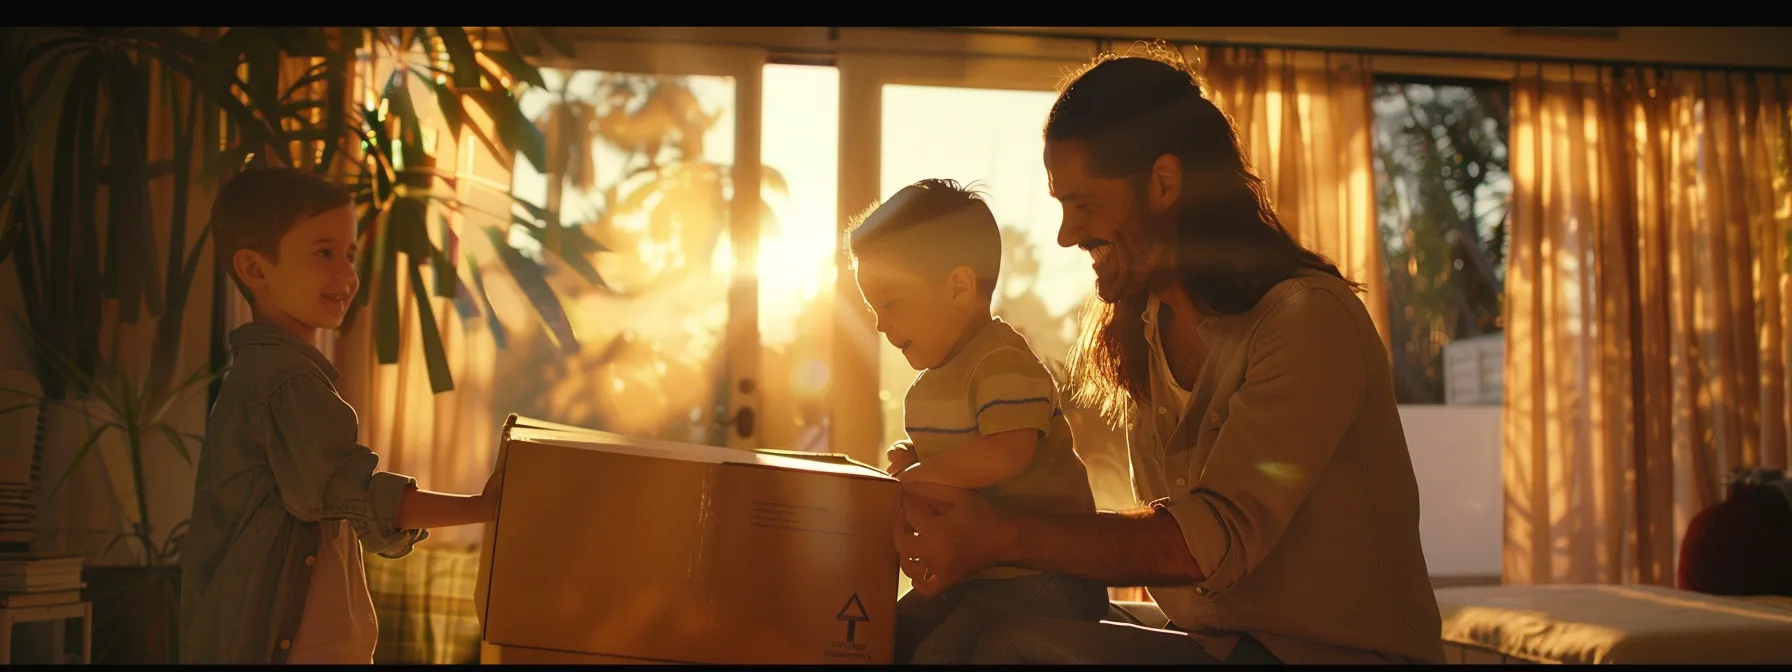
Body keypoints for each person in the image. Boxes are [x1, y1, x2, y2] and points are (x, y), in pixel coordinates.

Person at [891, 48, 1447, 664]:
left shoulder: (1308, 319)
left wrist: (999, 539)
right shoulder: (1143, 327)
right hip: (1213, 647)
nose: (1066, 235)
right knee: (947, 632)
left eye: (1083, 204)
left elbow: (1205, 543)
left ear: (1164, 184)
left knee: (1018, 649)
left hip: (1322, 656)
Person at [181, 168, 503, 664]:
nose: (348, 275)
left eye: (350, 254)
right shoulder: (285, 383)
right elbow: (360, 493)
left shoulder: (286, 377)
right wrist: (484, 507)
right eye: (323, 253)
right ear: (256, 270)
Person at [848, 178, 1110, 663]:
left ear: (959, 287)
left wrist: (925, 474)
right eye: (872, 309)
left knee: (940, 656)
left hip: (1043, 577)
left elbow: (1009, 449)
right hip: (979, 576)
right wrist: (915, 459)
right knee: (884, 639)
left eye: (890, 302)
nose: (881, 324)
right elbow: (958, 456)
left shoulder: (1000, 360)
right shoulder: (931, 384)